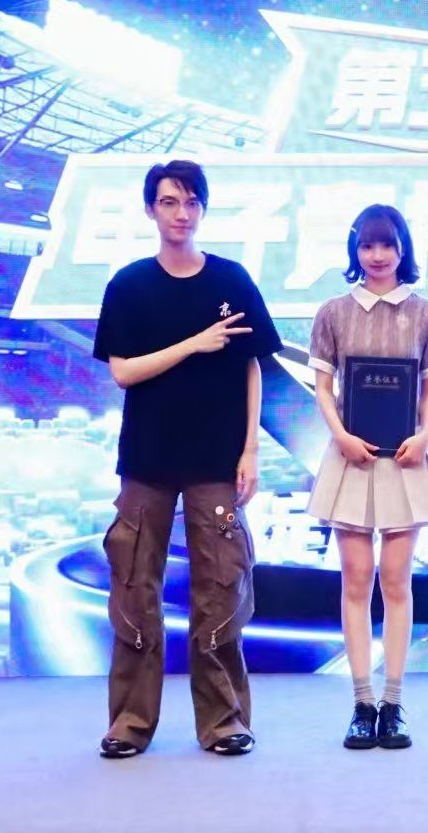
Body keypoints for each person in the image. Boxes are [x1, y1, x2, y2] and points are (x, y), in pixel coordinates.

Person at [92, 160, 282, 758]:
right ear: (151, 209)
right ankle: (128, 723)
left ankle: (225, 722)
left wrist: (250, 448)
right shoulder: (129, 285)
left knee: (222, 592)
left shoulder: (231, 279)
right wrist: (194, 344)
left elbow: (253, 366)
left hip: (216, 460)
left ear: (203, 209)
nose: (181, 213)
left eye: (192, 202)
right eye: (170, 201)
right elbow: (123, 371)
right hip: (147, 460)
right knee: (133, 592)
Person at [307, 204, 428, 751]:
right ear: (355, 251)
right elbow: (324, 388)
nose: (377, 255)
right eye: (367, 245)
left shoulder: (427, 314)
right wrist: (340, 435)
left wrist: (425, 435)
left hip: (404, 460)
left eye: (386, 244)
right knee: (355, 578)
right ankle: (361, 702)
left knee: (396, 580)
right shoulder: (333, 313)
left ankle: (393, 703)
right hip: (351, 459)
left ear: (402, 248)